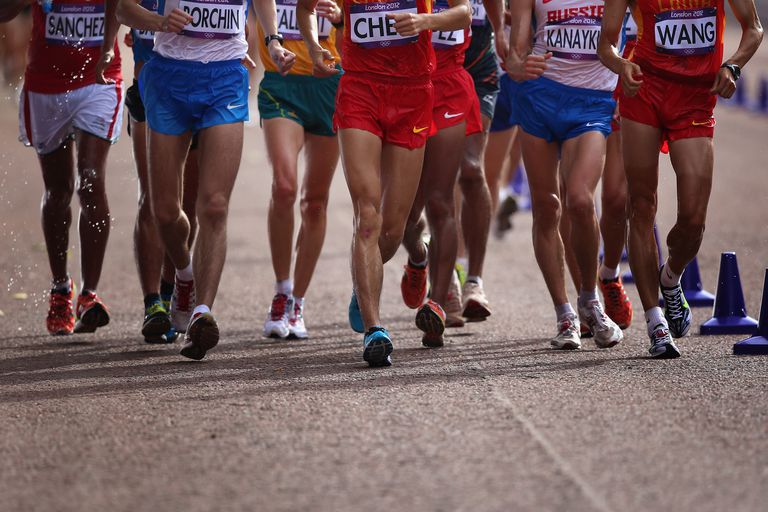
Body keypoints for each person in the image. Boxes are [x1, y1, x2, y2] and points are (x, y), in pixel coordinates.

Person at [116, 0, 295, 359]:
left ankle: (202, 312)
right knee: (164, 210)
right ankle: (183, 273)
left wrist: (273, 40)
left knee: (214, 205)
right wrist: (159, 21)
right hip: (168, 77)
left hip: (225, 77)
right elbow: (122, 10)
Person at [298, 0, 471, 366]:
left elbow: (463, 12)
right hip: (360, 91)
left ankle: (363, 285)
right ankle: (374, 330)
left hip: (413, 94)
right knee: (368, 215)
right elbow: (305, 7)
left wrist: (426, 20)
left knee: (392, 230)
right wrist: (314, 46)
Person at [598, 0, 763, 358]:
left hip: (695, 99)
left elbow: (754, 27)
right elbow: (606, 42)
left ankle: (670, 278)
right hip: (644, 91)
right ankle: (655, 322)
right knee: (641, 206)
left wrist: (733, 66)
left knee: (692, 221)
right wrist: (621, 64)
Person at [508, 0, 623, 351]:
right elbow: (514, 55)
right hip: (540, 97)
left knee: (580, 199)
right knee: (546, 207)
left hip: (592, 101)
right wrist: (517, 65)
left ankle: (590, 300)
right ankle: (564, 314)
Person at [2, 0, 122, 336]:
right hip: (47, 85)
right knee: (58, 191)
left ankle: (89, 294)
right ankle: (60, 289)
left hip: (98, 76)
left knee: (91, 179)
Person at [400, 0, 482, 347]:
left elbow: (464, 12)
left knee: (440, 202)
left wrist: (425, 21)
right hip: (403, 86)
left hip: (448, 84)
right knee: (403, 214)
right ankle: (418, 258)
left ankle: (437, 301)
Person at [117, 1, 200, 344]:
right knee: (152, 199)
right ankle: (153, 304)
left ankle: (173, 285)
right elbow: (122, 9)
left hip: (196, 92)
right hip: (148, 93)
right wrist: (157, 22)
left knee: (187, 205)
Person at [260, 0, 342, 340]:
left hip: (331, 87)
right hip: (283, 84)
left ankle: (298, 302)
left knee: (315, 203)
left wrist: (339, 19)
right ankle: (282, 289)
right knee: (284, 187)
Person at [451, 0, 505, 323]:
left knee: (471, 170)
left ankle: (473, 281)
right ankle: (426, 265)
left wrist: (501, 31)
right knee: (432, 183)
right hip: (430, 70)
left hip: (479, 70)